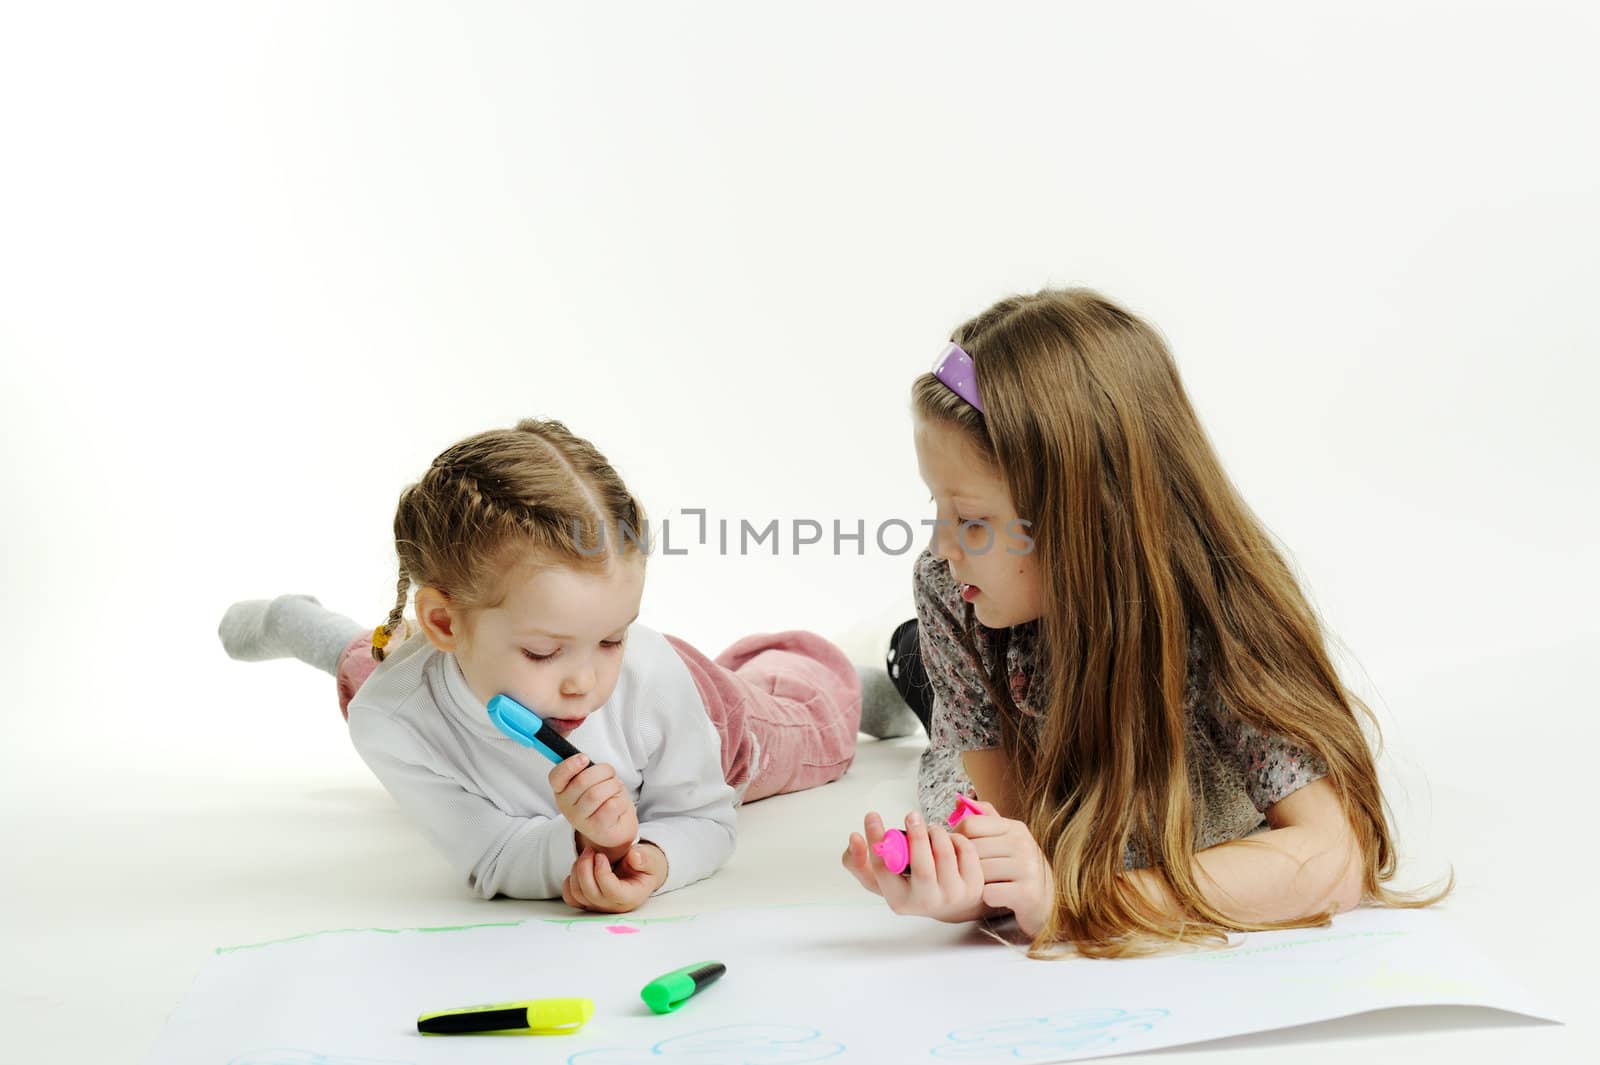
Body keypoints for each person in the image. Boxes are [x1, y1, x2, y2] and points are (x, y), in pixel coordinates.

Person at [845, 288, 1447, 957]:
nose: (937, 545)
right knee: (943, 758)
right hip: (1016, 731)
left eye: (974, 520)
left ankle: (906, 668)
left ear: (1087, 519)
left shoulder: (1220, 615)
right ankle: (906, 669)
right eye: (936, 506)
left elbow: (1334, 857)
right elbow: (1017, 838)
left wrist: (1082, 903)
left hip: (1140, 792)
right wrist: (977, 886)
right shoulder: (953, 590)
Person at [220, 418, 887, 913]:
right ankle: (294, 619)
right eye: (545, 650)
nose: (584, 681)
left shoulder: (642, 672)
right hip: (441, 674)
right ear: (445, 622)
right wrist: (579, 847)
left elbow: (705, 817)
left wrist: (649, 853)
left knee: (811, 721)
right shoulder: (393, 717)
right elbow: (489, 853)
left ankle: (861, 683)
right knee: (377, 673)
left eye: (610, 638)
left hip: (711, 713)